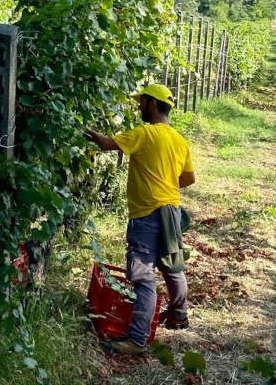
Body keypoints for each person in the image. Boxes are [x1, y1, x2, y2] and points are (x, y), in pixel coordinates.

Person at [85, 83, 195, 354]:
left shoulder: (145, 133)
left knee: (143, 276)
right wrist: (165, 185)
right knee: (172, 263)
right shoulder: (179, 141)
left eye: (142, 101)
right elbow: (189, 178)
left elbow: (108, 144)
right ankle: (179, 314)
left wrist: (86, 132)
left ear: (154, 104)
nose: (138, 106)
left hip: (146, 213)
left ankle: (136, 340)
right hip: (172, 210)